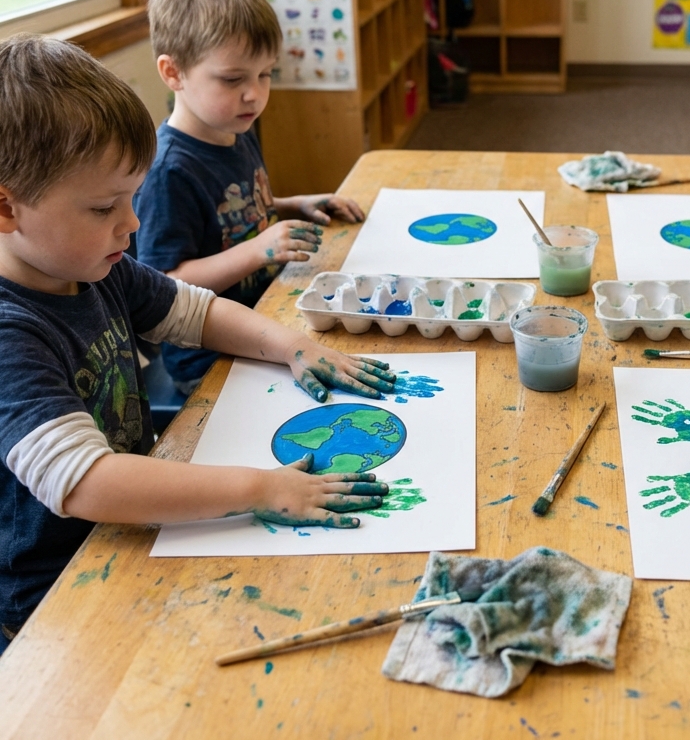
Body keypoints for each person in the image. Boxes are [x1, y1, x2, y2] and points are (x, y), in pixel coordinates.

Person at [0, 36, 395, 654]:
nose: (131, 224)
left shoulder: (91, 264)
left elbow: (195, 312)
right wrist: (260, 489)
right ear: (6, 207)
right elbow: (86, 483)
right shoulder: (10, 333)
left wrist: (290, 344)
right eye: (105, 206)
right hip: (59, 586)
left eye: (131, 197)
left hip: (137, 526)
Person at [135, 0, 365, 397]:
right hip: (208, 356)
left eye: (265, 75)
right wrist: (258, 250)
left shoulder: (233, 129)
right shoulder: (168, 171)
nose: (254, 94)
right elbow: (163, 285)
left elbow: (230, 213)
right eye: (233, 79)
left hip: (266, 316)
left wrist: (292, 204)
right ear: (173, 73)